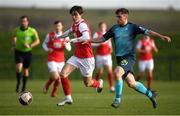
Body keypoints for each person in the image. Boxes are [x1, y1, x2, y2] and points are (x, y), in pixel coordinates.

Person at [92, 8, 171, 109]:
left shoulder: (132, 27)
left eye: (119, 16)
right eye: (117, 16)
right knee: (131, 83)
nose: (117, 19)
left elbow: (148, 32)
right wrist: (89, 40)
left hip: (129, 57)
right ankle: (151, 95)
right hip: (120, 59)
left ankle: (117, 100)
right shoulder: (114, 28)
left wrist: (161, 36)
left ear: (125, 16)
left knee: (117, 72)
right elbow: (102, 38)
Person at [55, 6, 103, 106]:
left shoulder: (82, 25)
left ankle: (98, 84)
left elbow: (86, 37)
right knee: (63, 74)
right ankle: (68, 98)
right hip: (76, 56)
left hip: (87, 58)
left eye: (76, 14)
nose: (73, 16)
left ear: (81, 14)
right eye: (72, 14)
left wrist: (72, 40)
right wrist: (59, 37)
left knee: (87, 83)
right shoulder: (76, 25)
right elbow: (69, 32)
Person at [42, 20, 71, 97]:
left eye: (59, 26)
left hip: (61, 60)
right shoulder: (50, 35)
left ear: (62, 27)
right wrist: (47, 49)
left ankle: (53, 92)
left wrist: (66, 45)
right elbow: (44, 44)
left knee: (60, 78)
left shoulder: (65, 36)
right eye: (56, 26)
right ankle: (48, 85)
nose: (58, 27)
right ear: (54, 26)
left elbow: (69, 48)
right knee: (56, 77)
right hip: (52, 59)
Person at [12, 16, 40, 93]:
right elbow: (14, 37)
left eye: (24, 21)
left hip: (28, 52)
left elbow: (37, 40)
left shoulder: (32, 30)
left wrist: (30, 45)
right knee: (18, 68)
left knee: (25, 70)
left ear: (28, 22)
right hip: (18, 51)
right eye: (22, 21)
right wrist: (14, 44)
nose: (23, 22)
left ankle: (23, 88)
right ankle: (18, 83)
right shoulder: (16, 30)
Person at [92, 22, 115, 92]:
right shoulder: (96, 34)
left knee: (110, 70)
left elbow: (109, 44)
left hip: (107, 55)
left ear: (105, 27)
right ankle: (95, 85)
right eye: (101, 26)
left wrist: (111, 48)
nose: (103, 27)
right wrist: (99, 43)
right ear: (99, 27)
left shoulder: (108, 34)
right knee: (100, 72)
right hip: (99, 56)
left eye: (104, 26)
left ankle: (111, 87)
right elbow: (92, 43)